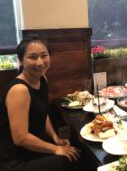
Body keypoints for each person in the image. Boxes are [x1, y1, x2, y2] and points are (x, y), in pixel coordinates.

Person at [0, 36, 81, 171]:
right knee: (73, 158)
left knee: (76, 149)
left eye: (44, 55)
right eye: (32, 57)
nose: (40, 62)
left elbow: (43, 114)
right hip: (15, 160)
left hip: (31, 150)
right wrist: (56, 149)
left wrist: (55, 138)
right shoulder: (19, 90)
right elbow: (20, 138)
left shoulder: (42, 79)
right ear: (21, 60)